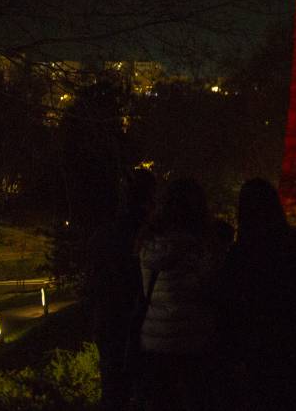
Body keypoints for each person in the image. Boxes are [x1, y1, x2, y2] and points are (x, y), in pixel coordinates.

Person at [220, 178, 296, 411]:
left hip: (256, 338)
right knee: (288, 395)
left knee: (261, 396)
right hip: (293, 334)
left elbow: (227, 296)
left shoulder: (241, 253)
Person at [136, 178, 223, 411]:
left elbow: (148, 293)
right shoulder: (198, 248)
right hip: (193, 339)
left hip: (155, 340)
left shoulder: (148, 245)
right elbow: (209, 288)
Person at [86, 168, 156, 411]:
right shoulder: (152, 237)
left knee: (113, 393)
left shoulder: (103, 235)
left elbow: (93, 286)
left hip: (109, 323)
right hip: (144, 325)